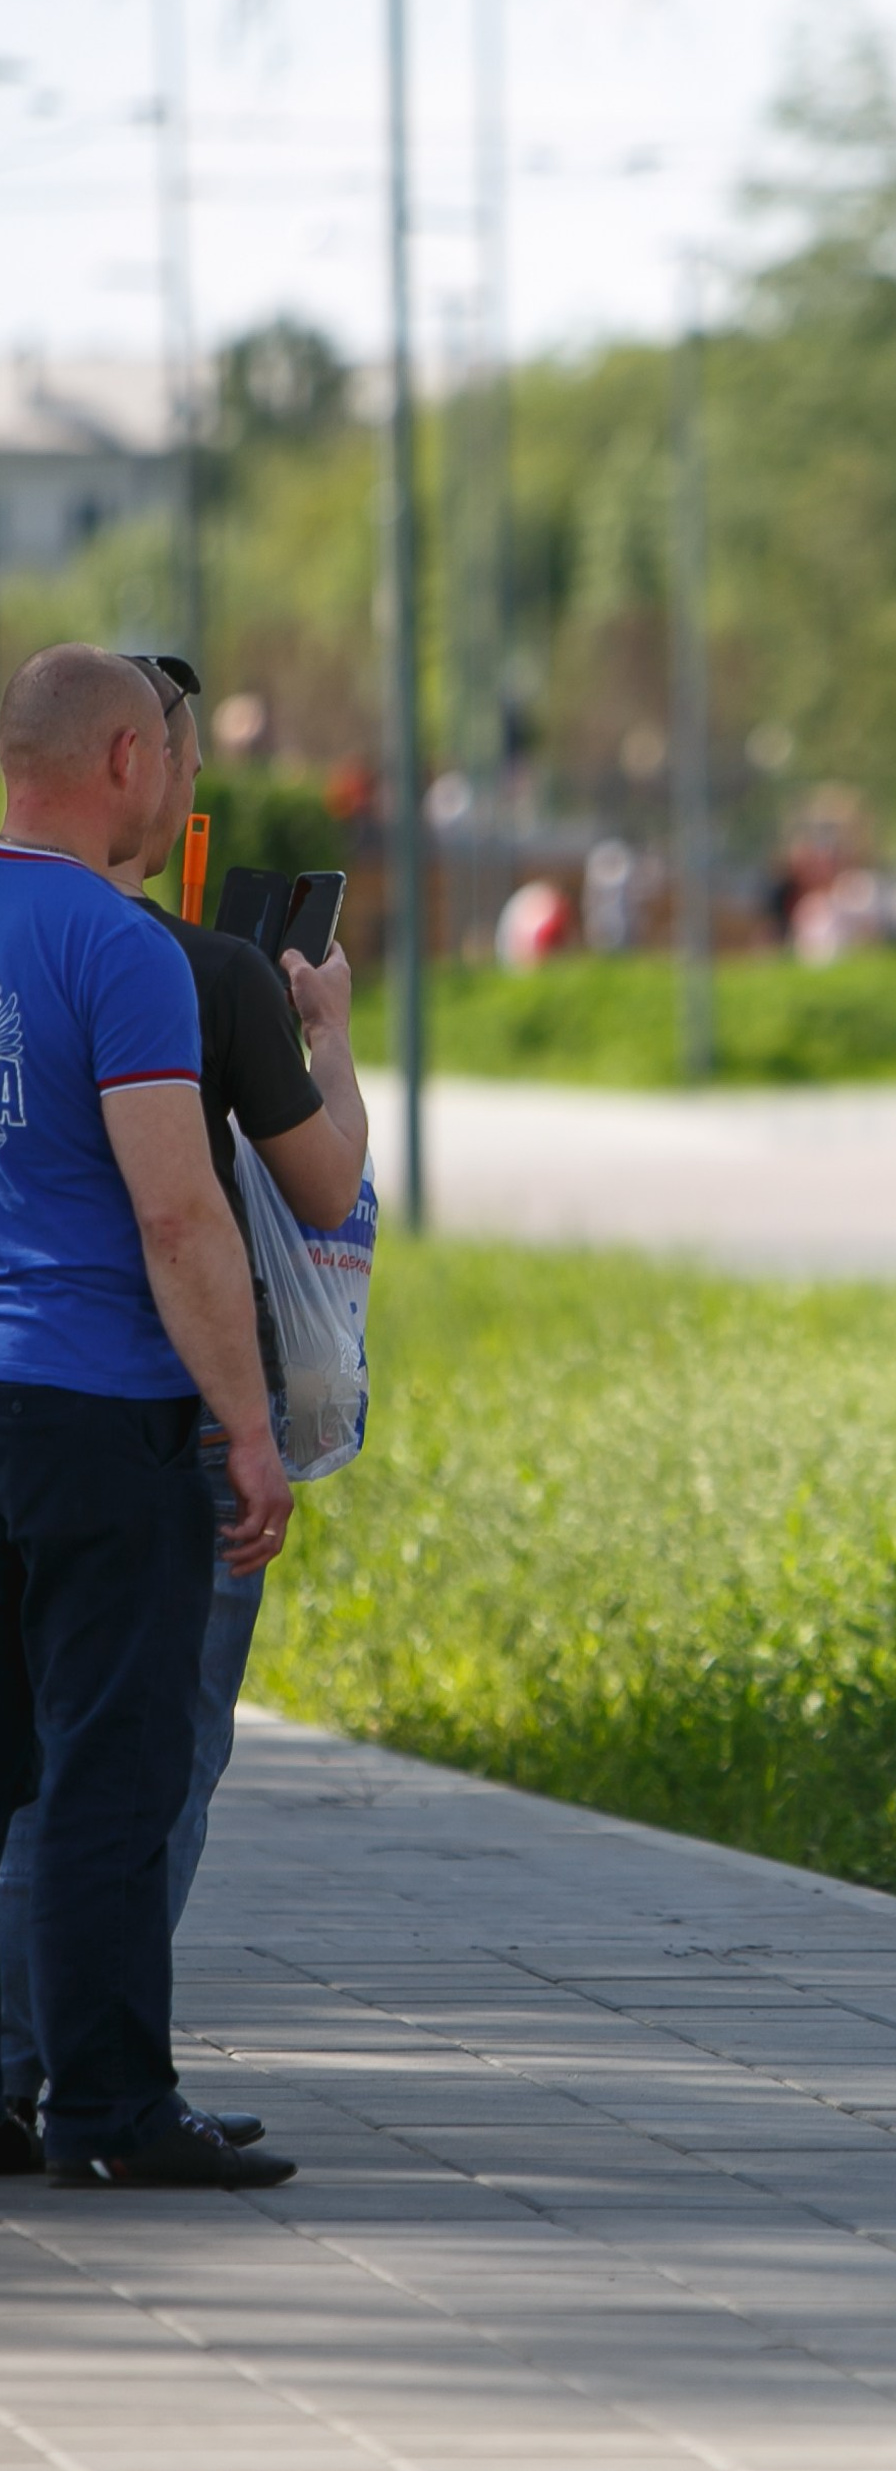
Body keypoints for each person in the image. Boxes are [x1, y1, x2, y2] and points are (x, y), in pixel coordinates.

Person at [0, 656, 367, 2143]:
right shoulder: (121, 947)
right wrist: (253, 1425)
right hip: (98, 1410)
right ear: (123, 759)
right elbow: (179, 1216)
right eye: (166, 755)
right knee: (112, 1770)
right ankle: (108, 2101)